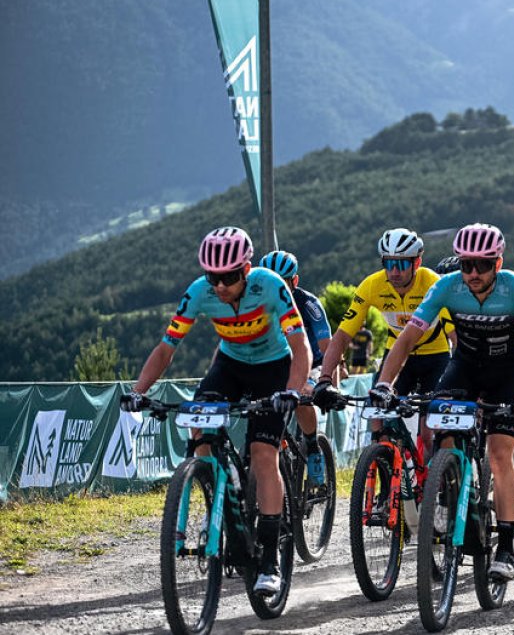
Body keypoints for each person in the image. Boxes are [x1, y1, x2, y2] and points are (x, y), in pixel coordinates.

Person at [121, 227, 311, 595]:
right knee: (199, 431)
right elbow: (166, 348)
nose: (220, 286)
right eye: (213, 277)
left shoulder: (270, 286)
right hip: (229, 366)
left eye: (229, 277)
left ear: (247, 269)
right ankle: (219, 498)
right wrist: (138, 392)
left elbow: (299, 343)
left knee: (263, 453)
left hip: (273, 368)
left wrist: (291, 390)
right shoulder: (198, 292)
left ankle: (269, 560)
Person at [370, 223, 514, 582]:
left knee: (499, 455)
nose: (473, 273)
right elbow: (407, 339)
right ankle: (448, 496)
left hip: (506, 373)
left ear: (498, 263)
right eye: (466, 264)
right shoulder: (447, 286)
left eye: (482, 265)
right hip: (464, 367)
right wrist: (384, 384)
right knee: (442, 432)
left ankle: (505, 547)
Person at [312, 229, 452, 453]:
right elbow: (342, 335)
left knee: (428, 433)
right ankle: (383, 463)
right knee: (375, 412)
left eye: (402, 264)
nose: (394, 271)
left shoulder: (433, 284)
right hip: (397, 356)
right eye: (389, 263)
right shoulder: (372, 285)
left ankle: (438, 472)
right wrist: (325, 379)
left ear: (417, 263)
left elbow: (454, 334)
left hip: (435, 355)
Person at [260, 250, 333, 486]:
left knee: (301, 397)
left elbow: (327, 346)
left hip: (312, 362)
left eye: (283, 282)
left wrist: (327, 380)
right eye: (272, 282)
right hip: (278, 363)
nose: (277, 288)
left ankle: (312, 448)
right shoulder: (258, 304)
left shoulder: (309, 304)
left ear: (295, 281)